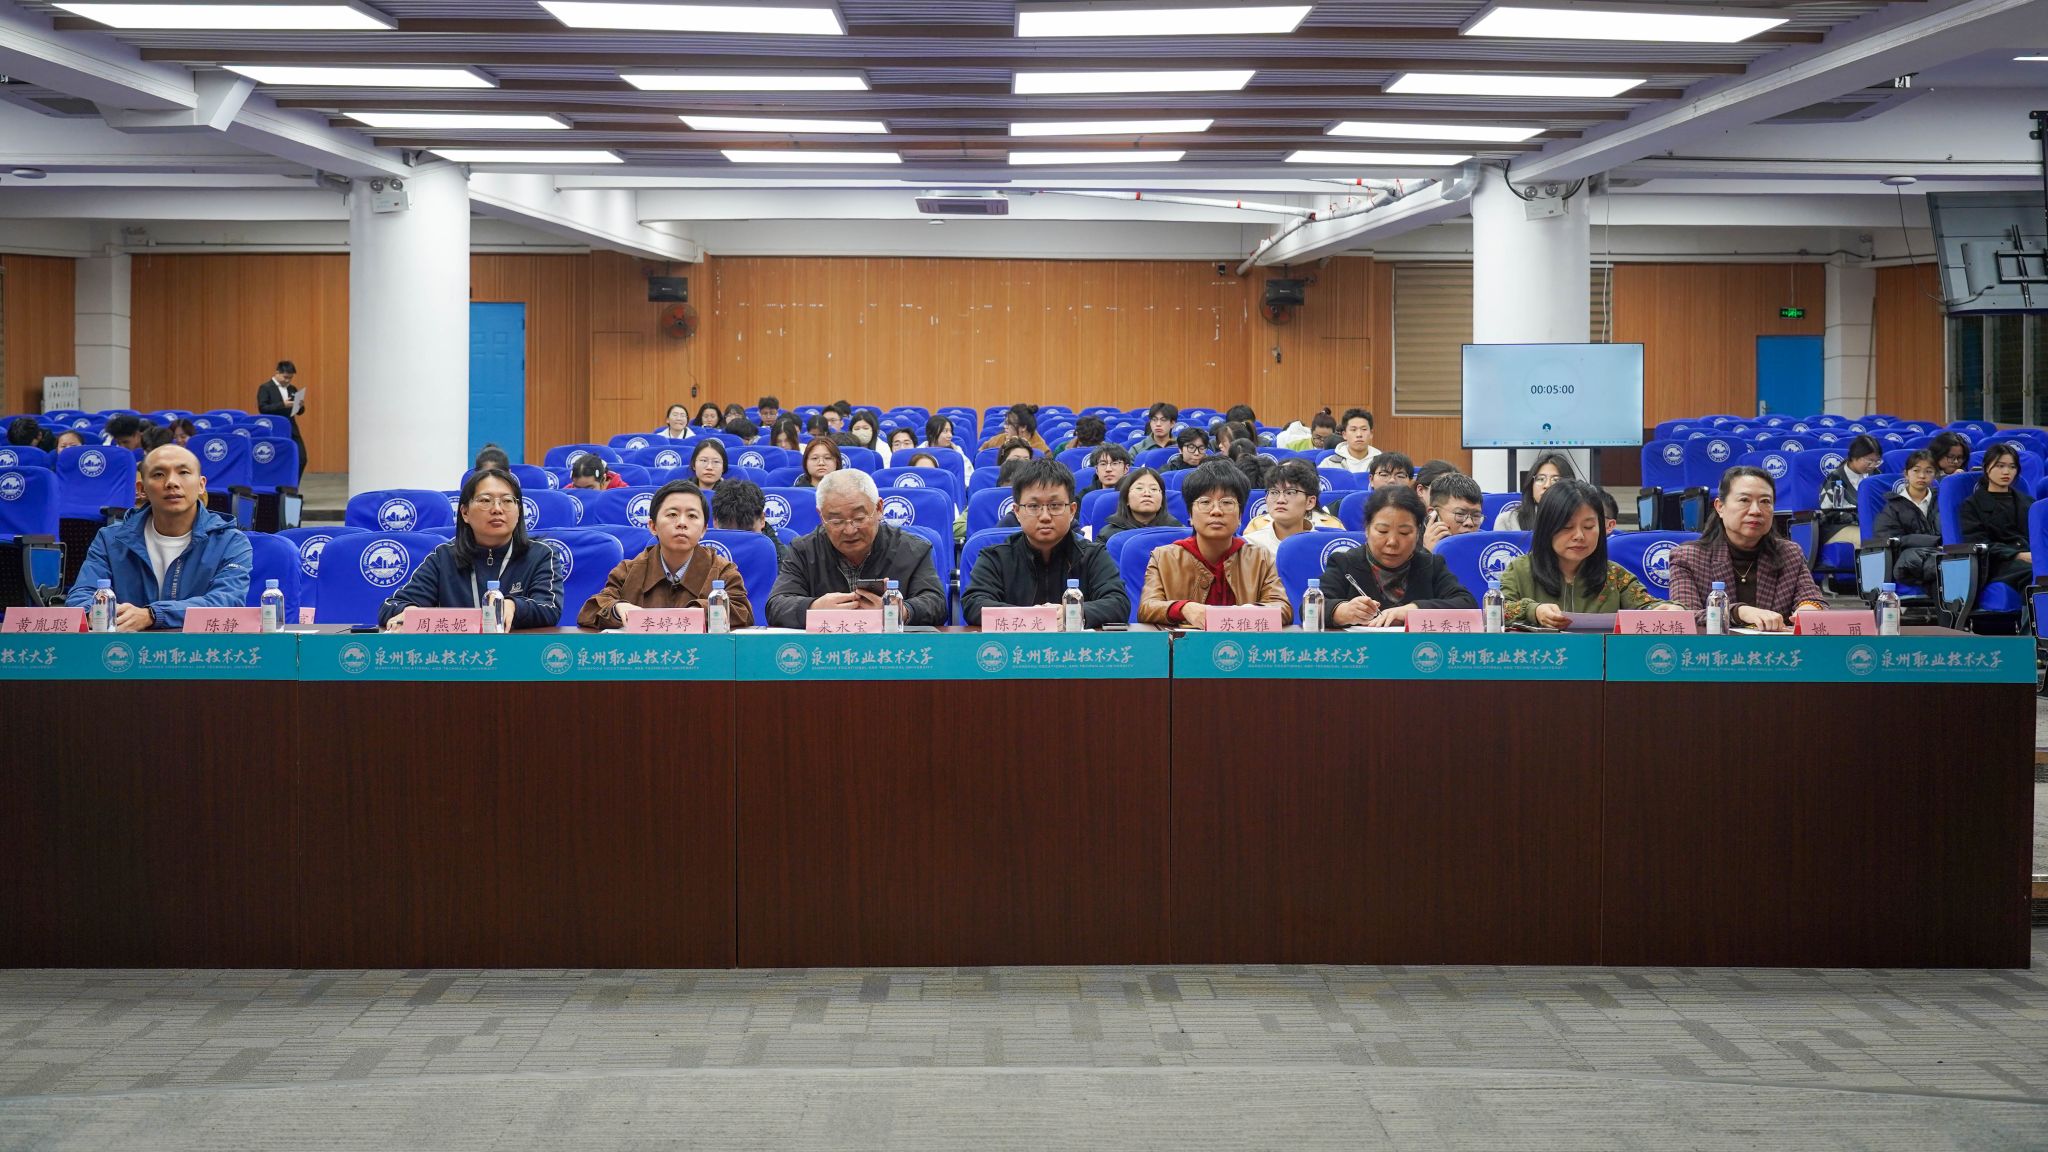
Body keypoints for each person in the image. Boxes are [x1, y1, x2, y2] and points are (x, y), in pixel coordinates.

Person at [65, 444, 252, 631]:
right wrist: (95, 613)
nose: (171, 482)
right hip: (126, 645)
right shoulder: (110, 539)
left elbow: (228, 601)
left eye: (183, 472)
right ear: (142, 489)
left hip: (198, 647)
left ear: (201, 485)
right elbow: (81, 595)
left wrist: (152, 615)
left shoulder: (231, 541)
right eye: (158, 474)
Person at [379, 468, 561, 631]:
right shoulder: (443, 557)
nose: (497, 509)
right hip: (458, 655)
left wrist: (513, 606)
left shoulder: (541, 555)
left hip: (516, 653)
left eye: (507, 501)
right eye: (485, 500)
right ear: (465, 512)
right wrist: (410, 612)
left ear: (519, 511)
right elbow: (391, 606)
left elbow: (550, 608)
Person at [764, 469, 947, 628]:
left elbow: (936, 603)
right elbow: (776, 605)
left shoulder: (913, 550)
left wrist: (901, 611)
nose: (849, 530)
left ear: (879, 508)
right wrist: (813, 608)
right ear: (821, 516)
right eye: (836, 521)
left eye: (859, 518)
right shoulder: (803, 550)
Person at [962, 459, 1129, 628]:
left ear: (1072, 511)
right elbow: (973, 603)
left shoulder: (1093, 555)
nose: (1045, 516)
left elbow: (1118, 602)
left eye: (1055, 506)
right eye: (1033, 506)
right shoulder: (995, 557)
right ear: (1017, 512)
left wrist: (1074, 613)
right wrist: (1031, 618)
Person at [1496, 479, 1683, 627]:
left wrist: (1668, 609)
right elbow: (1498, 611)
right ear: (1546, 527)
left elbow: (1647, 606)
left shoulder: (1615, 577)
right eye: (1567, 527)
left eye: (1588, 526)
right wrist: (1533, 611)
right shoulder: (1520, 570)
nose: (1579, 536)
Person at [1668, 465, 1825, 632]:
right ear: (1720, 507)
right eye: (1744, 500)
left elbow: (1813, 599)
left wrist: (1808, 609)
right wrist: (1739, 612)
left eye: (1765, 501)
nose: (1756, 511)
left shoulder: (1789, 553)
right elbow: (1685, 616)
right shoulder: (1687, 557)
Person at [578, 480, 753, 630]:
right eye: (672, 514)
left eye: (692, 516)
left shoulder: (722, 571)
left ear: (703, 530)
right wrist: (617, 609)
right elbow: (590, 611)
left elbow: (742, 611)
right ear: (653, 526)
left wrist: (700, 613)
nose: (682, 523)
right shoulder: (628, 571)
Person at [1138, 460, 1291, 629]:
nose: (1216, 511)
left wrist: (1250, 612)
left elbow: (1282, 608)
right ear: (1190, 515)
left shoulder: (1260, 558)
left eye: (1227, 502)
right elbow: (1147, 607)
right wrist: (1183, 608)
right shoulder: (1163, 557)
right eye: (1205, 502)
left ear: (1240, 516)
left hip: (1246, 643)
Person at [1322, 485, 1476, 628]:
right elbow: (1315, 605)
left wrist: (1413, 610)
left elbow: (1467, 604)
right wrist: (1341, 611)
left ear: (1418, 533)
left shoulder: (1432, 565)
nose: (1392, 542)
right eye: (1382, 531)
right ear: (1367, 530)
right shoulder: (1344, 563)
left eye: (1404, 533)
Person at [1959, 441, 2034, 592]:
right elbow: (1979, 543)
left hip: (2033, 557)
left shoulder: (2028, 502)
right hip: (1998, 564)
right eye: (2000, 466)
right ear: (1987, 468)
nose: (2006, 472)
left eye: (2012, 467)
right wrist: (2018, 555)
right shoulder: (1972, 505)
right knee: (2035, 573)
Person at [1872, 449, 1942, 587]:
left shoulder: (1942, 501)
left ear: (1935, 475)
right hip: (1911, 560)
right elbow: (1888, 538)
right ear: (1906, 474)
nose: (1922, 476)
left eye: (1928, 471)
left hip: (1940, 554)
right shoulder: (1893, 506)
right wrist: (1934, 541)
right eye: (1916, 470)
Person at [1243, 458, 1341, 554]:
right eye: (1274, 492)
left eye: (1290, 492)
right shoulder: (1250, 545)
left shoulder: (1325, 547)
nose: (1280, 500)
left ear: (1310, 502)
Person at [1818, 434, 1884, 548]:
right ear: (1854, 457)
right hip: (1838, 528)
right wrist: (1860, 517)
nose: (1873, 465)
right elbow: (1830, 513)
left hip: (1870, 526)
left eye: (1877, 461)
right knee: (1871, 540)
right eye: (1869, 461)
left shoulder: (1875, 475)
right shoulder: (1837, 479)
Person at [711, 478, 791, 567]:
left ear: (762, 520)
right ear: (715, 522)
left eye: (748, 533)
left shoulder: (787, 564)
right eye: (731, 534)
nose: (740, 544)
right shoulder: (703, 555)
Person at [255, 359, 309, 479]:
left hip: (291, 428)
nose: (287, 380)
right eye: (285, 377)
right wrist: (282, 405)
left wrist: (300, 406)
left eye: (290, 378)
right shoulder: (265, 388)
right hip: (275, 429)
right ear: (277, 373)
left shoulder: (292, 389)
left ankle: (293, 487)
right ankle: (279, 486)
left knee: (301, 458)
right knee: (278, 461)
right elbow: (263, 408)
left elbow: (300, 412)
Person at [1496, 451, 1576, 530]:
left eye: (1556, 480)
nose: (1547, 485)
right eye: (1540, 479)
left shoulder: (1578, 519)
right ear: (1531, 486)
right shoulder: (1508, 521)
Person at [1100, 467, 1181, 545]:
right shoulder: (1109, 535)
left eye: (1154, 489)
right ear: (1126, 498)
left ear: (1162, 499)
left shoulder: (1177, 532)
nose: (1147, 493)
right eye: (1139, 488)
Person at [1423, 471, 1485, 551]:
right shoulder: (1411, 546)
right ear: (1433, 515)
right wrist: (1430, 553)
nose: (1469, 523)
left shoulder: (1486, 545)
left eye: (1476, 516)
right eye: (1460, 514)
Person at [1321, 408, 1380, 474]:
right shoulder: (1328, 464)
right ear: (1344, 434)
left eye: (1364, 429)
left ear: (1371, 434)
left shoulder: (1383, 463)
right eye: (1353, 430)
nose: (1359, 434)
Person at [979, 404, 1050, 455]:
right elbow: (980, 454)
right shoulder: (997, 440)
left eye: (1008, 423)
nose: (1005, 426)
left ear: (1023, 427)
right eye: (1005, 423)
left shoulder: (1042, 451)